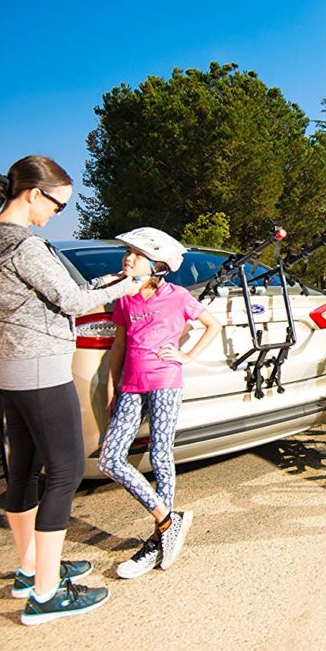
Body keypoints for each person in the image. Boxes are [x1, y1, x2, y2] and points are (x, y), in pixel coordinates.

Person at [0, 155, 137, 626]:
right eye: (58, 205)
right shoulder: (25, 245)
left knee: (22, 471)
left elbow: (58, 291)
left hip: (10, 367)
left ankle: (30, 567)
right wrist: (128, 286)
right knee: (65, 470)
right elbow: (73, 301)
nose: (56, 214)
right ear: (35, 194)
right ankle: (45, 595)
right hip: (40, 368)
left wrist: (111, 280)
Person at [98, 227, 222, 579]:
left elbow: (213, 325)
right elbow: (118, 346)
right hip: (131, 387)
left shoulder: (177, 295)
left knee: (160, 454)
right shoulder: (124, 298)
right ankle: (169, 520)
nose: (128, 258)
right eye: (128, 253)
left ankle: (158, 538)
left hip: (165, 383)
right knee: (110, 459)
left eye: (136, 255)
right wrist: (111, 387)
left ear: (157, 265)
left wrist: (185, 356)